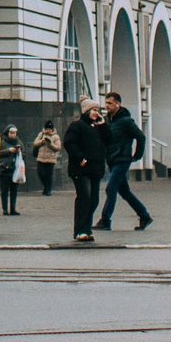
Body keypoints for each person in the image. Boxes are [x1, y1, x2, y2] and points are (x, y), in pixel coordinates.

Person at [97, 90, 153, 231]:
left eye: (110, 103)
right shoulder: (106, 121)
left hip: (122, 159)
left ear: (118, 104)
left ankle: (105, 220)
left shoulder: (126, 121)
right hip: (112, 159)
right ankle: (144, 216)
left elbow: (141, 137)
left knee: (111, 188)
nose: (107, 106)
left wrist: (136, 156)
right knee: (124, 191)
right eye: (106, 103)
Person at [64, 98, 108, 242]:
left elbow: (110, 140)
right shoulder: (77, 126)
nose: (97, 113)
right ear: (86, 111)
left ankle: (87, 229)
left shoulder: (97, 128)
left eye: (98, 110)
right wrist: (81, 159)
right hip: (80, 169)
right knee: (84, 197)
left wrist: (103, 125)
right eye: (94, 110)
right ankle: (79, 230)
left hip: (95, 169)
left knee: (94, 200)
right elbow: (69, 143)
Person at [33, 119, 62, 199]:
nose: (48, 130)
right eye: (47, 129)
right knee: (40, 173)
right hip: (41, 158)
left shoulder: (56, 136)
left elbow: (58, 147)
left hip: (50, 159)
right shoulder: (41, 134)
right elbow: (35, 143)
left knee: (49, 175)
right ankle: (46, 186)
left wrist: (50, 144)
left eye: (49, 129)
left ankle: (48, 189)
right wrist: (41, 142)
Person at [0, 125, 24, 216]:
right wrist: (8, 151)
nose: (13, 135)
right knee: (4, 190)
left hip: (15, 170)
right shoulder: (2, 143)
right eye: (11, 133)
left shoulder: (19, 142)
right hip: (4, 169)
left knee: (14, 190)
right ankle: (5, 209)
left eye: (15, 133)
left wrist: (19, 152)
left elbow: (24, 155)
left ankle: (13, 208)